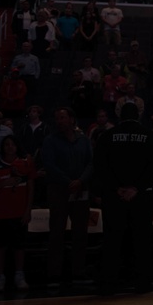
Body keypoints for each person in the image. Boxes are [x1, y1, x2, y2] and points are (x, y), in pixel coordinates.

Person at [93, 103, 153, 295]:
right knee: (142, 239)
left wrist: (117, 187)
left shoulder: (107, 136)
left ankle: (109, 283)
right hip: (141, 195)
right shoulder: (149, 136)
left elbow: (100, 165)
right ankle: (143, 283)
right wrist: (136, 187)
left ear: (119, 115)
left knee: (112, 239)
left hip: (114, 196)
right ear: (138, 115)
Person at [41, 107, 94, 289]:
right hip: (59, 190)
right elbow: (49, 164)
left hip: (80, 190)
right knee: (56, 232)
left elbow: (91, 162)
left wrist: (80, 181)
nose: (59, 121)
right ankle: (54, 273)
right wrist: (68, 181)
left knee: (80, 232)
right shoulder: (50, 140)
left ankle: (78, 271)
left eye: (62, 118)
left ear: (72, 119)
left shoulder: (83, 140)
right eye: (57, 118)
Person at [0, 136, 35, 293]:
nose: (10, 147)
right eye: (6, 145)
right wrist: (4, 184)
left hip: (19, 212)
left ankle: (19, 275)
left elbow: (31, 189)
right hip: (0, 213)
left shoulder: (26, 164)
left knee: (19, 246)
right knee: (0, 247)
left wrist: (28, 210)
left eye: (12, 144)